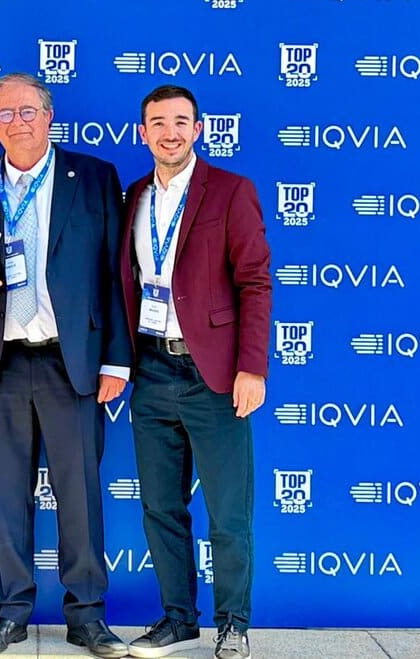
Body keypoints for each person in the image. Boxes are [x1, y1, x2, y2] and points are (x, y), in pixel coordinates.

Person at [0, 73, 132, 658]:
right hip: (0, 361)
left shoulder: (94, 176)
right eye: (5, 113)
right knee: (6, 495)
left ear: (49, 116)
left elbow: (116, 276)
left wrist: (117, 360)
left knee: (80, 495)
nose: (17, 122)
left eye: (28, 111)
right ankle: (10, 613)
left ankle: (87, 615)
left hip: (70, 361)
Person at [120, 85, 270, 659]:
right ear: (143, 133)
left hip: (214, 376)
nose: (170, 132)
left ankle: (233, 623)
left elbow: (255, 282)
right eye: (158, 122)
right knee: (161, 507)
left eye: (181, 121)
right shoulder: (134, 197)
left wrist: (251, 367)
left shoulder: (231, 191)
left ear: (198, 129)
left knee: (228, 511)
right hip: (151, 370)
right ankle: (178, 620)